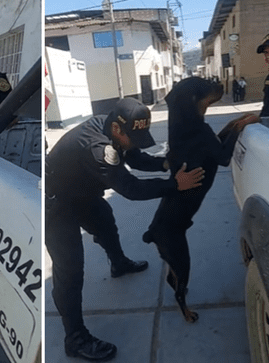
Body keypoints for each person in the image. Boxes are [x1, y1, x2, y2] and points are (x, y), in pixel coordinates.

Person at [45, 98, 205, 361]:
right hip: (56, 203)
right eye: (134, 136)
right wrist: (175, 184)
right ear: (118, 131)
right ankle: (74, 338)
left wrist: (165, 164)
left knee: (106, 223)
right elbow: (131, 188)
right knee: (69, 268)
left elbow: (134, 155)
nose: (137, 141)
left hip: (81, 193)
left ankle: (118, 264)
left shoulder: (111, 127)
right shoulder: (97, 148)